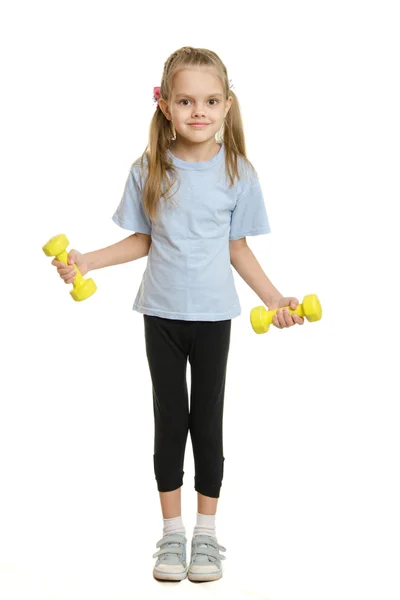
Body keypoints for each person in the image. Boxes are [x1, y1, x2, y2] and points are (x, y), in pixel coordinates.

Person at [51, 46, 304, 583]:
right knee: (170, 421)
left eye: (211, 100)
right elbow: (142, 239)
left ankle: (207, 537)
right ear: (164, 104)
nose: (199, 111)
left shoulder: (239, 171)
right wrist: (86, 261)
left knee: (206, 423)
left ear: (228, 105)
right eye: (186, 100)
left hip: (214, 318)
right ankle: (171, 535)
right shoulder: (148, 167)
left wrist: (274, 299)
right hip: (161, 315)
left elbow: (237, 248)